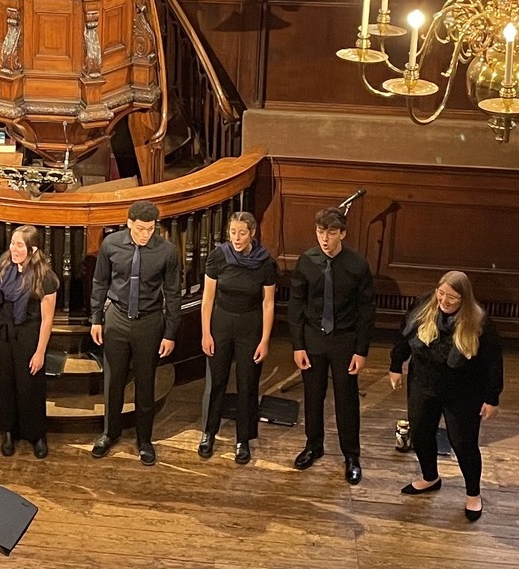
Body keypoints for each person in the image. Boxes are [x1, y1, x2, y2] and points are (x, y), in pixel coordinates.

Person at [388, 270, 502, 522]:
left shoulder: (479, 321)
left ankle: (473, 493)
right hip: (423, 383)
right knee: (420, 433)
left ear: (464, 299)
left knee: (463, 442)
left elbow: (493, 362)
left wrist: (492, 398)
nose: (444, 301)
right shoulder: (422, 306)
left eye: (452, 297)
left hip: (463, 391)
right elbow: (403, 336)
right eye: (441, 293)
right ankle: (430, 477)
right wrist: (396, 365)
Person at [90, 202, 182, 466]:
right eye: (141, 229)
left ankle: (144, 440)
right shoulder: (111, 244)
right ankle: (109, 433)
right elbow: (100, 283)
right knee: (113, 382)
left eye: (150, 229)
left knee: (145, 384)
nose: (145, 234)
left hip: (150, 322)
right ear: (129, 223)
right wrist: (96, 318)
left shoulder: (167, 251)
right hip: (117, 319)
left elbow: (173, 293)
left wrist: (170, 332)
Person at [288, 206, 373, 482]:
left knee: (346, 399)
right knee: (313, 396)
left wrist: (361, 351)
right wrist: (298, 345)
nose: (324, 239)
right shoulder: (306, 261)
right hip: (313, 339)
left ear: (343, 234)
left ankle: (351, 455)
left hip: (345, 340)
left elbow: (366, 312)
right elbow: (297, 305)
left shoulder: (357, 265)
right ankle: (313, 445)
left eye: (331, 233)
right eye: (320, 232)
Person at [199, 212, 277, 465]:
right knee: (217, 381)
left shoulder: (265, 262)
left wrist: (265, 340)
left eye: (242, 233)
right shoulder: (218, 256)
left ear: (252, 233)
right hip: (221, 323)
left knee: (247, 383)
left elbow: (268, 303)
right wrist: (206, 333)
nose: (237, 238)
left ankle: (243, 439)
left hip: (249, 325)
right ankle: (209, 432)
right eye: (233, 232)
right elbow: (208, 298)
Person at [0, 224, 58, 460]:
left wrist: (40, 352)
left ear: (32, 249)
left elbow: (47, 320)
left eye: (19, 245)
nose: (14, 249)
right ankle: (7, 431)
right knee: (4, 382)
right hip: (4, 332)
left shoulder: (44, 276)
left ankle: (36, 434)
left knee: (29, 385)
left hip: (29, 334)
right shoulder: (5, 264)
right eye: (12, 243)